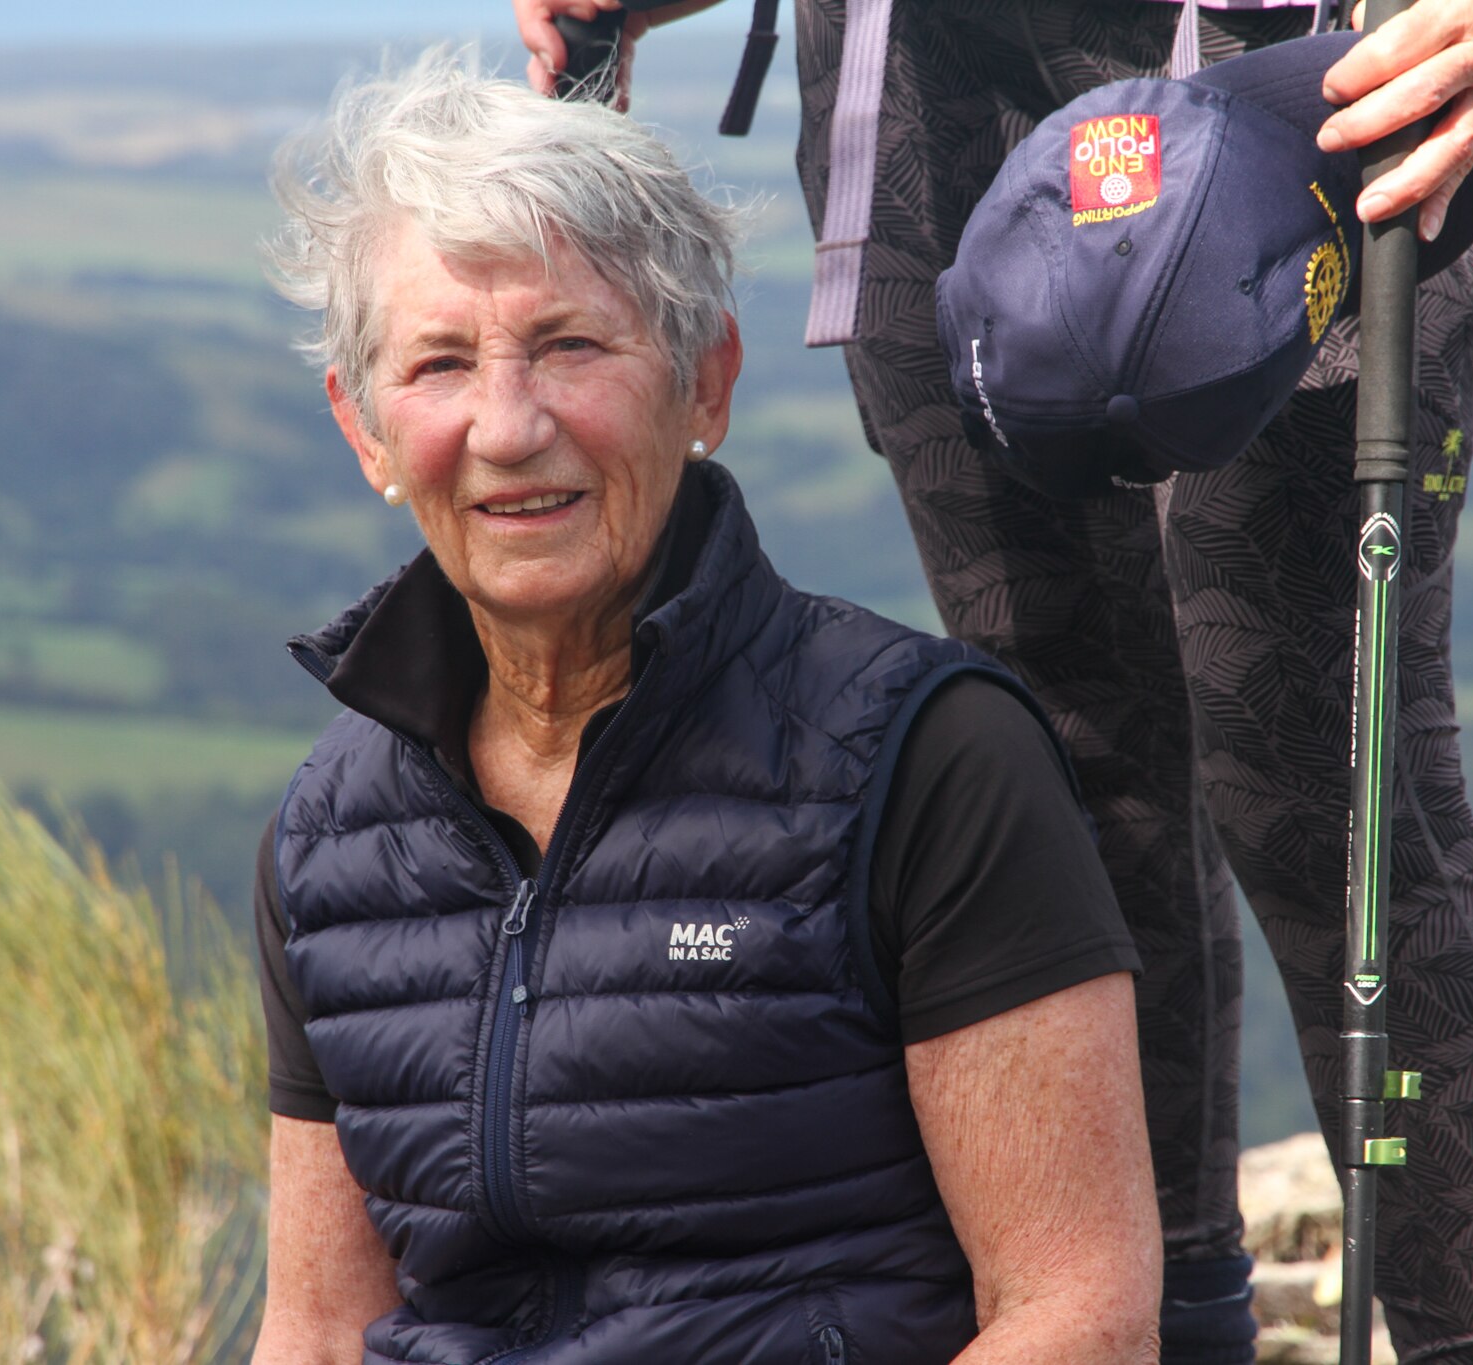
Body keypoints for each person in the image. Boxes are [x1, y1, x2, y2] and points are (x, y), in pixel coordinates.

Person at [513, 1, 1473, 1362]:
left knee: (1331, 798)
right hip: (916, 96)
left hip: (1269, 53)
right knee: (1073, 780)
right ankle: (1158, 1331)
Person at [250, 53, 1163, 1364]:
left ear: (707, 383)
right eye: (440, 364)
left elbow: (1082, 1317)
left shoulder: (931, 759)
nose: (508, 427)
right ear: (365, 430)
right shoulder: (332, 835)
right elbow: (321, 1329)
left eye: (570, 345)